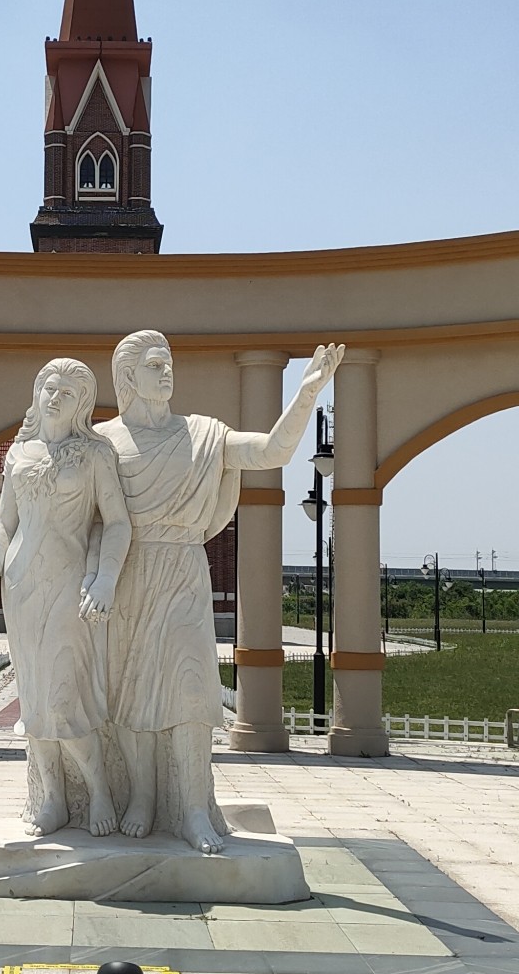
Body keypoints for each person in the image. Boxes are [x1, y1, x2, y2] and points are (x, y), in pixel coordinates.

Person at [99, 332, 343, 853]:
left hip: (184, 571)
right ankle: (142, 796)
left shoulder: (203, 436)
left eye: (170, 364)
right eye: (155, 365)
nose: (167, 373)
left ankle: (191, 810)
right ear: (127, 378)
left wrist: (305, 394)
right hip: (126, 574)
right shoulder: (104, 442)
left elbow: (271, 451)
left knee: (191, 693)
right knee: (129, 693)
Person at [0, 358, 132, 836]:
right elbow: (2, 525)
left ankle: (98, 789)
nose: (55, 398)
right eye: (49, 389)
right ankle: (53, 799)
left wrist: (105, 579)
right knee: (34, 701)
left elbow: (116, 522)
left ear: (81, 405)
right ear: (38, 395)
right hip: (21, 588)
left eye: (68, 393)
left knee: (63, 697)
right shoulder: (19, 454)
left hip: (69, 587)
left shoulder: (96, 455)